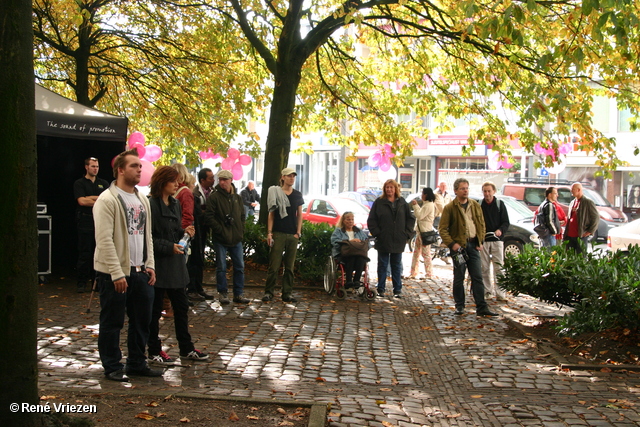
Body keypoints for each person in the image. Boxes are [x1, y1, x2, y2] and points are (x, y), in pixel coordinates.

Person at [93, 148, 161, 382]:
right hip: (115, 273)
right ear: (120, 170)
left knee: (142, 320)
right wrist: (116, 273)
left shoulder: (142, 198)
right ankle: (112, 366)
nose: (139, 169)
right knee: (112, 322)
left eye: (140, 166)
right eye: (134, 166)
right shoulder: (107, 199)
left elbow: (147, 235)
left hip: (140, 272)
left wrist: (149, 264)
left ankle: (136, 363)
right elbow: (104, 240)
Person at [147, 166, 209, 364]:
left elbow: (174, 230)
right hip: (159, 264)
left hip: (175, 264)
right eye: (173, 181)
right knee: (155, 311)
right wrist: (168, 246)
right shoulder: (151, 205)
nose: (177, 185)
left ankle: (186, 348)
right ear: (162, 182)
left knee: (181, 308)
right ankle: (154, 350)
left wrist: (185, 233)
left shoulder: (174, 203)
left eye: (178, 181)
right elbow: (148, 238)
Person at [438, 178, 497, 316]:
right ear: (456, 191)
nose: (465, 191)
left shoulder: (474, 205)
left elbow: (481, 223)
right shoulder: (450, 208)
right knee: (459, 276)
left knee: (477, 276)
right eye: (462, 188)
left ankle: (481, 307)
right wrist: (452, 244)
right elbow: (443, 229)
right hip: (458, 247)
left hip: (473, 245)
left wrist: (480, 241)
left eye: (467, 188)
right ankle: (460, 305)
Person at [205, 170, 250, 305]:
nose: (222, 182)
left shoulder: (237, 197)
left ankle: (238, 293)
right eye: (220, 180)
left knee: (239, 267)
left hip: (236, 237)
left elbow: (242, 215)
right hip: (221, 238)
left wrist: (240, 229)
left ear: (231, 180)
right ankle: (223, 293)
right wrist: (220, 229)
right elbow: (209, 217)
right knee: (221, 267)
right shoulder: (215, 197)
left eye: (225, 179)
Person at [367, 179, 415, 298]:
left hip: (398, 238)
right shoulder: (379, 202)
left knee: (396, 265)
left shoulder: (402, 202)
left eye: (391, 187)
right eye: (387, 187)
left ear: (395, 189)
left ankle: (397, 290)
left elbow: (410, 218)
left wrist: (407, 234)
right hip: (383, 238)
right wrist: (377, 233)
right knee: (382, 264)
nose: (389, 189)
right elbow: (372, 220)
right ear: (384, 189)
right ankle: (381, 289)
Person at [263, 167, 304, 303]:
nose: (291, 178)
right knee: (274, 266)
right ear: (282, 177)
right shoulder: (275, 192)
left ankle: (287, 293)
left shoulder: (297, 195)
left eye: (293, 176)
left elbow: (299, 215)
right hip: (278, 233)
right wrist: (269, 233)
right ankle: (269, 292)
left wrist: (298, 232)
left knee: (290, 267)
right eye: (288, 176)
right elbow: (271, 214)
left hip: (292, 234)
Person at [172, 163, 212, 301]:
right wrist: (184, 233)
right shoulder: (184, 192)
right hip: (183, 234)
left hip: (180, 233)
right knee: (183, 265)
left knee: (185, 264)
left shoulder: (180, 192)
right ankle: (182, 295)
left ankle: (184, 293)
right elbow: (187, 216)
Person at [73, 157, 109, 293]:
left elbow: (107, 201)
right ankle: (81, 282)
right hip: (85, 221)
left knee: (99, 252)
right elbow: (82, 201)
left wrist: (91, 198)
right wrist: (98, 199)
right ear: (86, 167)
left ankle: (97, 282)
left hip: (100, 222)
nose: (95, 169)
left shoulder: (104, 183)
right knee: (85, 253)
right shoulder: (79, 183)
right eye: (93, 166)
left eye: (97, 166)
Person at [187, 168, 215, 300]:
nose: (213, 180)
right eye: (210, 178)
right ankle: (192, 288)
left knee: (200, 259)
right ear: (202, 180)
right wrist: (207, 213)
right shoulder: (195, 193)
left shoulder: (213, 192)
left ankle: (199, 287)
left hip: (204, 230)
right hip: (195, 230)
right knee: (194, 260)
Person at [479, 182, 509, 301]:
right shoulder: (479, 204)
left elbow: (506, 222)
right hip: (484, 240)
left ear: (494, 191)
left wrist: (500, 230)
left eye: (489, 191)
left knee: (499, 267)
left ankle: (501, 293)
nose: (487, 194)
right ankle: (487, 291)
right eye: (485, 191)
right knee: (484, 267)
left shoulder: (499, 204)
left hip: (497, 240)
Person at [330, 212, 369, 290]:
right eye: (348, 219)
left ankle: (356, 280)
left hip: (358, 254)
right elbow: (334, 242)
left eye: (352, 219)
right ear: (343, 221)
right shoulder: (339, 231)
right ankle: (348, 281)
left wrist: (360, 243)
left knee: (361, 258)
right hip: (344, 254)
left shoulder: (359, 231)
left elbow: (367, 242)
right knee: (351, 257)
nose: (350, 221)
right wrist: (350, 242)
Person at [564, 182, 599, 254]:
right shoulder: (572, 202)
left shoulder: (587, 202)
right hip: (570, 236)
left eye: (573, 189)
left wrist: (590, 231)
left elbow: (595, 217)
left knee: (581, 256)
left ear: (578, 190)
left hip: (580, 236)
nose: (571, 191)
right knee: (570, 257)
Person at [409, 187, 436, 280]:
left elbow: (420, 216)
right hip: (421, 232)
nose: (421, 195)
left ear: (426, 195)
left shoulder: (429, 205)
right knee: (416, 253)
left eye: (423, 193)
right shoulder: (426, 204)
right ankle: (413, 272)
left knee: (426, 254)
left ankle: (429, 273)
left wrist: (415, 206)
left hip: (425, 232)